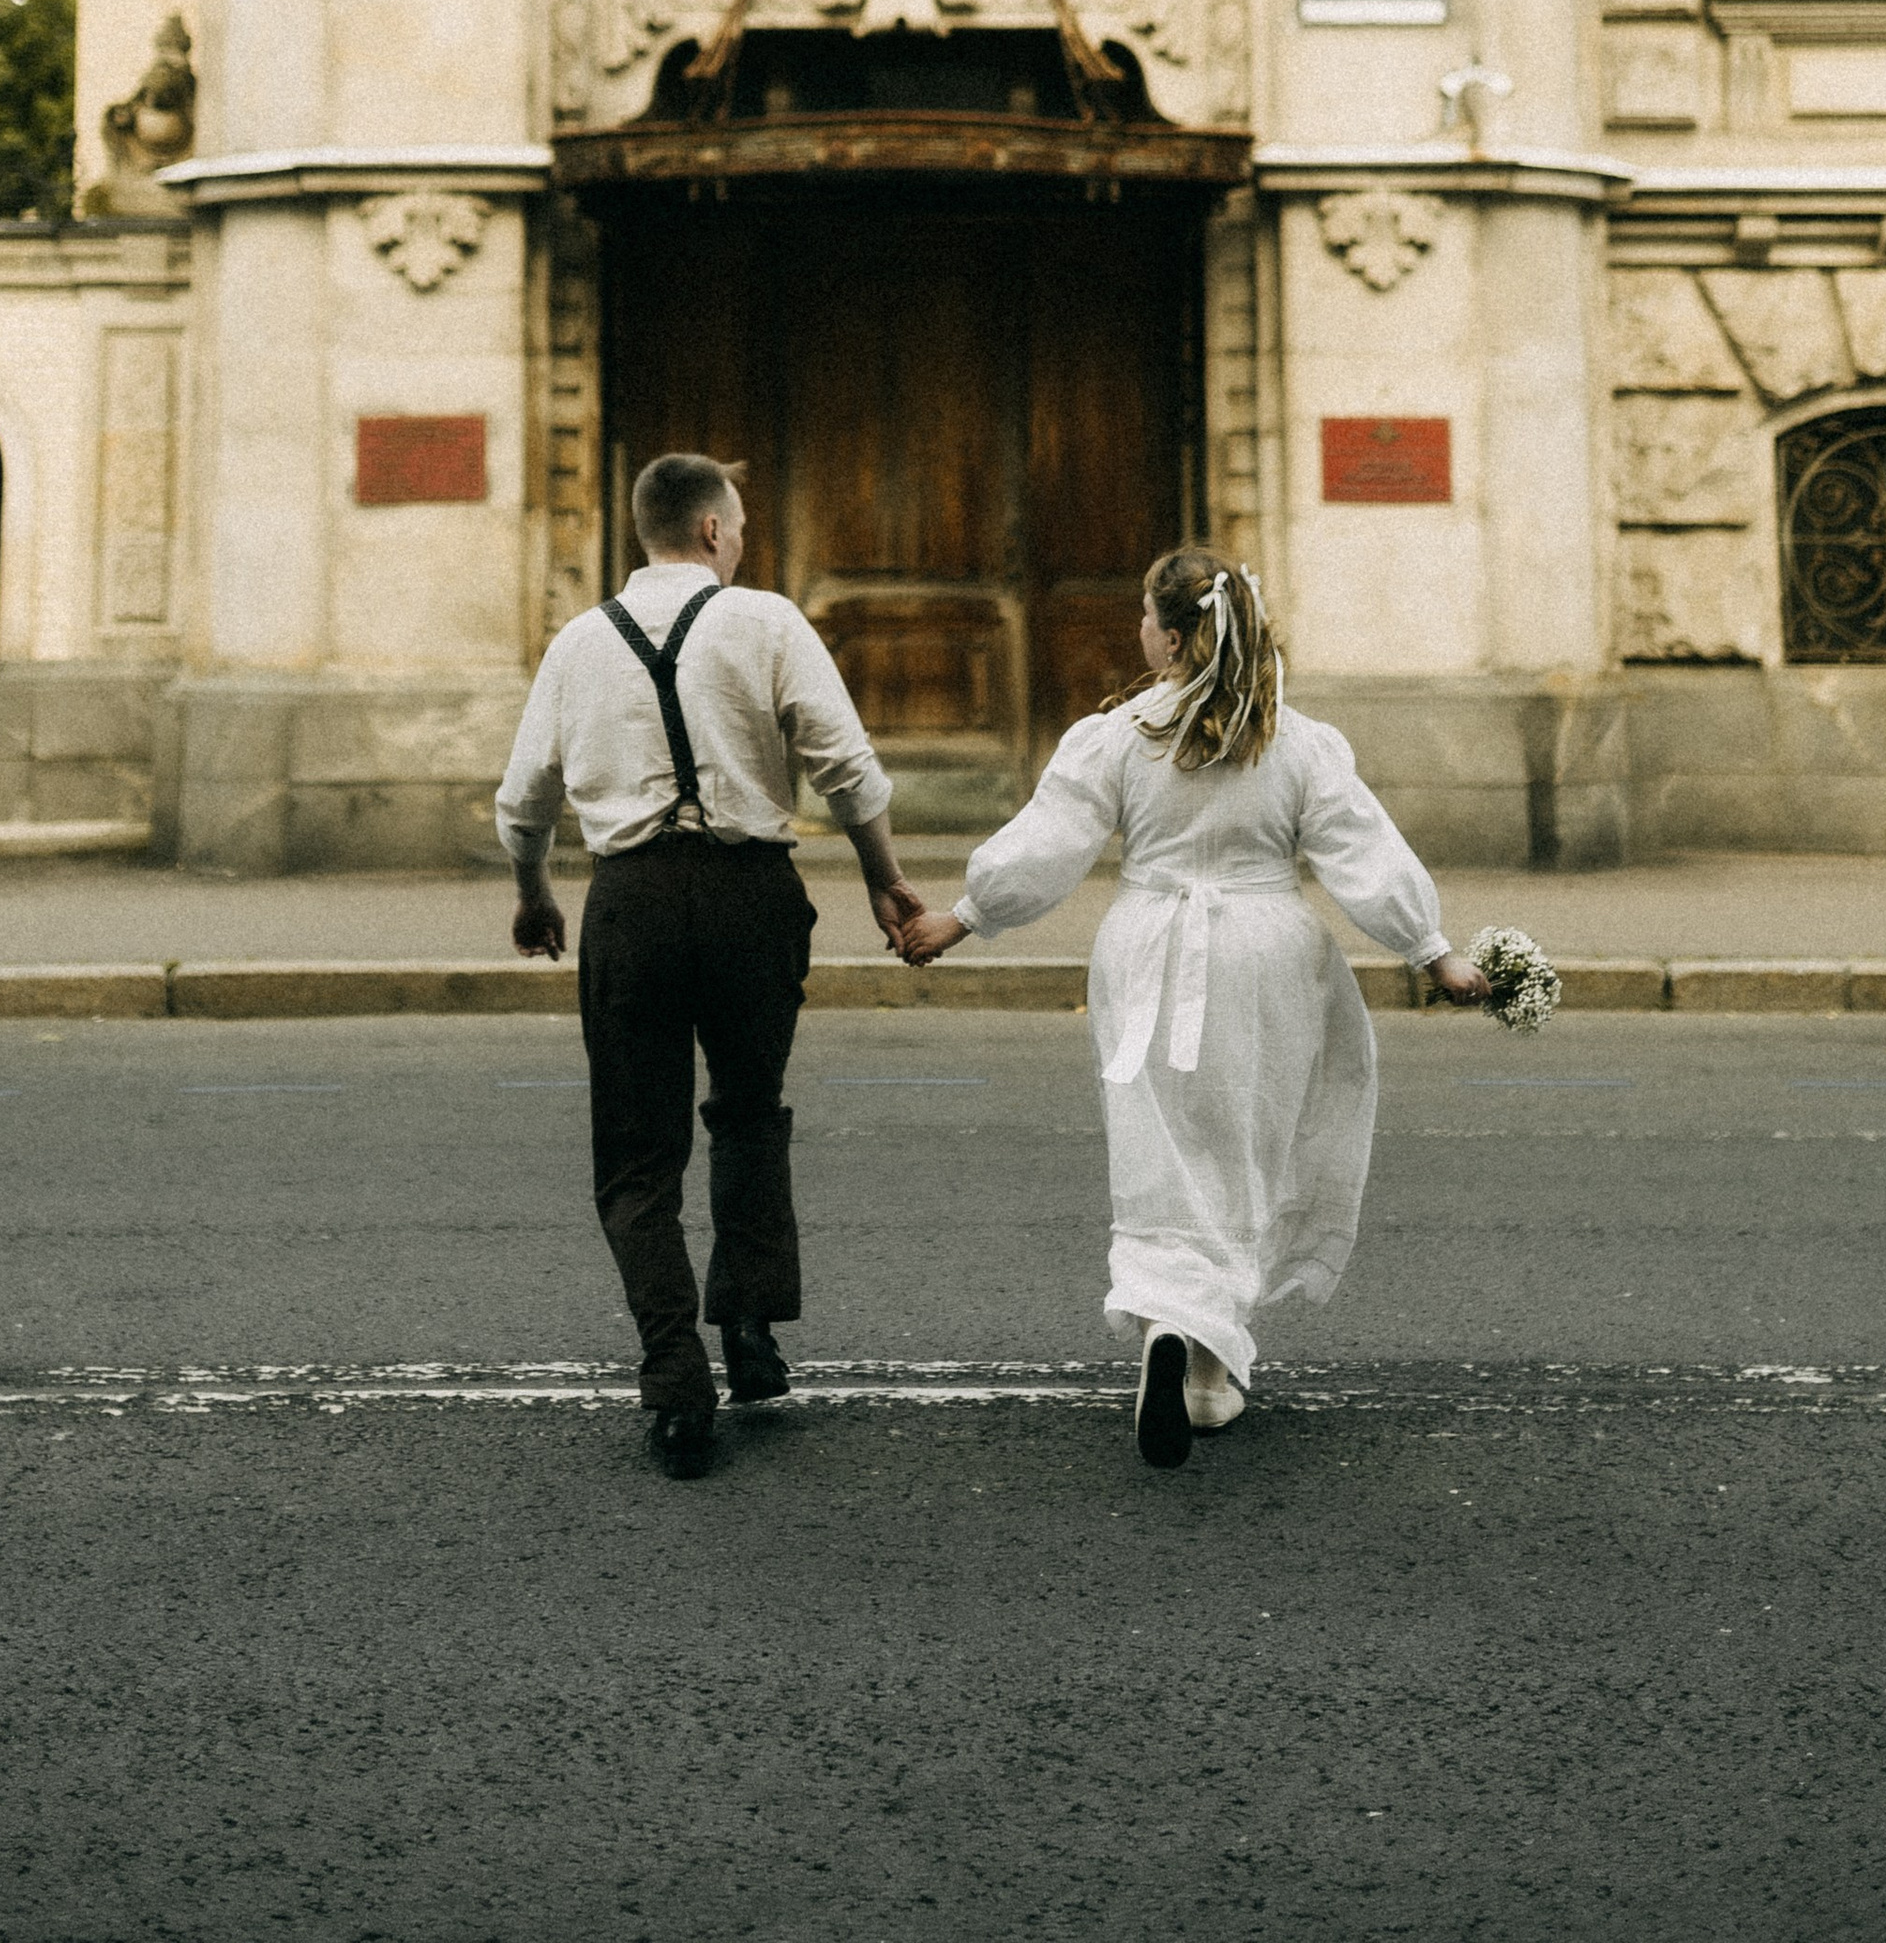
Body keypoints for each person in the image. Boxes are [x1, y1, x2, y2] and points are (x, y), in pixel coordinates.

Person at [900, 546, 1486, 1468]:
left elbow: (1047, 844)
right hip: (1269, 952)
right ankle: (1207, 1374)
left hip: (1147, 946)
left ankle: (1166, 1326)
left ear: (1170, 638)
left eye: (1144, 618)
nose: (1138, 632)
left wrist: (964, 918)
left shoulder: (1120, 734)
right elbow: (1361, 852)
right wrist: (1432, 950)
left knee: (1162, 1140)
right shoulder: (1295, 741)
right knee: (1245, 1141)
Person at [496, 450, 922, 1482]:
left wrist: (536, 894)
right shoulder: (765, 621)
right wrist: (884, 878)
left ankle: (675, 1378)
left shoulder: (577, 641)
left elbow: (523, 801)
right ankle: (750, 1332)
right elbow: (847, 767)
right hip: (748, 896)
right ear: (712, 533)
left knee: (636, 1156)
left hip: (631, 904)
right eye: (737, 523)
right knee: (745, 1111)